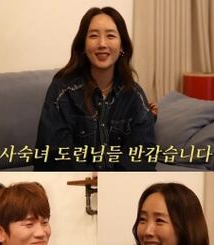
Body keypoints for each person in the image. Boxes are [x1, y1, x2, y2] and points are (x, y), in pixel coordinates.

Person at [34, 6, 156, 171]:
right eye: (93, 36)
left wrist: (111, 181)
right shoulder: (62, 91)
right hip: (76, 180)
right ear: (83, 45)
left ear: (122, 47)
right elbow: (53, 155)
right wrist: (94, 179)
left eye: (110, 36)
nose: (102, 44)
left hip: (119, 182)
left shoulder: (134, 95)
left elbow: (143, 156)